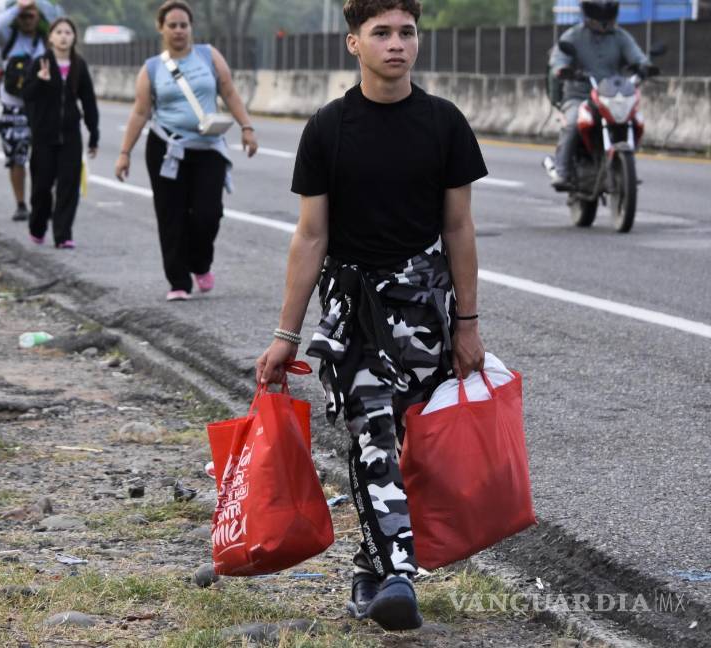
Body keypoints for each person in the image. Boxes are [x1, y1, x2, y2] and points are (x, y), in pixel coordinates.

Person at [255, 0, 487, 631]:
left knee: (407, 443)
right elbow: (309, 237)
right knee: (373, 436)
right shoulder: (328, 129)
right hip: (352, 311)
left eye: (406, 32)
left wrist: (467, 322)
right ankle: (400, 580)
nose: (396, 44)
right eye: (381, 33)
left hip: (424, 311)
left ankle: (368, 569)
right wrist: (286, 333)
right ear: (353, 43)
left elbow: (460, 228)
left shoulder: (444, 124)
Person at [115, 0, 258, 302]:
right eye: (172, 25)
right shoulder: (152, 68)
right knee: (171, 215)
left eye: (184, 25)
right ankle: (178, 281)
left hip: (208, 148)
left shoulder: (209, 56)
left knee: (209, 213)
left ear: (191, 28)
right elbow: (140, 113)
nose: (179, 31)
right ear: (161, 29)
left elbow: (229, 92)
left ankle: (200, 263)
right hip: (167, 149)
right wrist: (125, 152)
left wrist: (247, 127)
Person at [547, 0, 649, 189]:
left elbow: (638, 57)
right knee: (572, 124)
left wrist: (644, 67)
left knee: (634, 120)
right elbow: (558, 59)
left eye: (607, 20)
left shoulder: (620, 37)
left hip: (610, 95)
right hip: (579, 95)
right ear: (588, 16)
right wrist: (563, 69)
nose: (604, 24)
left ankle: (626, 166)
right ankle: (562, 171)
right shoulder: (573, 36)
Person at [20, 17, 99, 249]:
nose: (64, 36)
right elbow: (27, 95)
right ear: (51, 37)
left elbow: (89, 102)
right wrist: (40, 81)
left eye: (68, 32)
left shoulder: (79, 65)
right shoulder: (40, 63)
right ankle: (37, 226)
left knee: (68, 187)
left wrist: (94, 133)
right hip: (44, 136)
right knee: (42, 188)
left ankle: (63, 235)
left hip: (71, 136)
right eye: (59, 32)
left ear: (74, 37)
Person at [0, 0, 61, 223]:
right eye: (22, 16)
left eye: (31, 16)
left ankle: (43, 201)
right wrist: (19, 7)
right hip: (14, 106)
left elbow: (58, 19)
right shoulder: (8, 39)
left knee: (45, 158)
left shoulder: (45, 40)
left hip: (40, 107)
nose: (26, 20)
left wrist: (35, 3)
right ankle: (21, 204)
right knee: (16, 157)